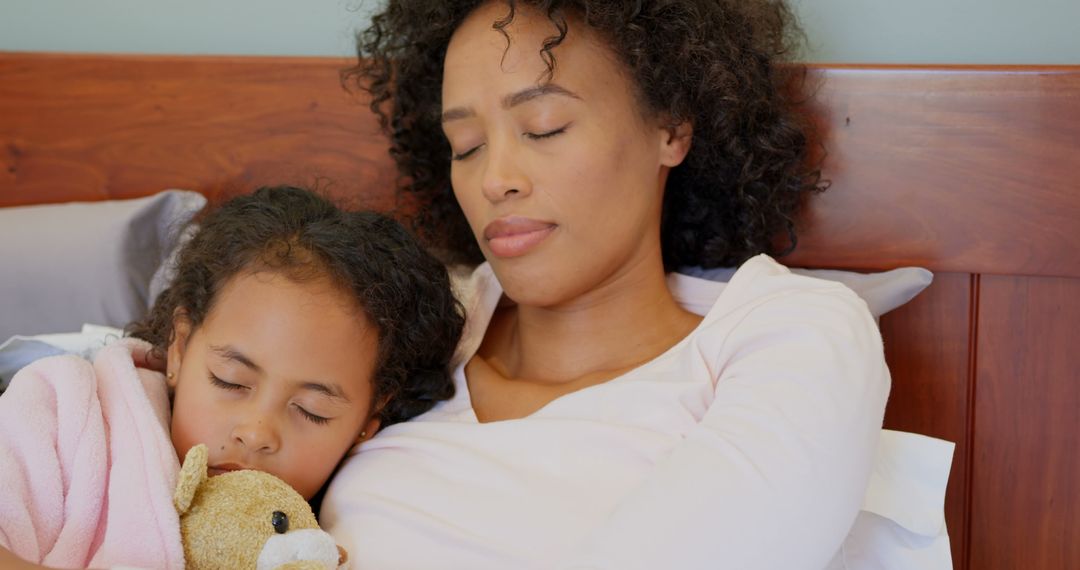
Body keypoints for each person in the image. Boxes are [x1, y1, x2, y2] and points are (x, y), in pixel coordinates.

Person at [319, 1, 891, 569]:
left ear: (670, 128)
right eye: (466, 145)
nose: (494, 180)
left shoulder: (792, 337)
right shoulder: (409, 321)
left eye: (544, 128)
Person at [0, 186, 464, 569]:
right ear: (180, 348)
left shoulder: (323, 536)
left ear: (369, 418)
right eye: (230, 381)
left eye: (312, 411)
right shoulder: (63, 409)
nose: (256, 432)